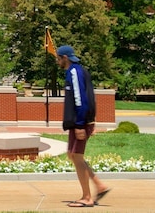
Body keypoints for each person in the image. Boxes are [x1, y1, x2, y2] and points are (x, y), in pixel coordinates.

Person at [57, 44, 110, 208]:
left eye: (58, 58)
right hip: (79, 122)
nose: (57, 61)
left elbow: (81, 100)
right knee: (72, 155)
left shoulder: (74, 72)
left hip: (79, 122)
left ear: (64, 58)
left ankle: (87, 197)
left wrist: (81, 124)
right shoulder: (79, 71)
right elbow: (90, 97)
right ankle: (99, 186)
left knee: (77, 157)